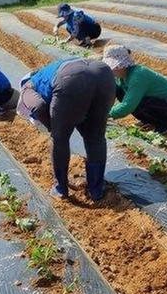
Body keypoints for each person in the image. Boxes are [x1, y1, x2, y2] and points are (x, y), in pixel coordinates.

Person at [17, 57, 116, 201]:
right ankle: (96, 190)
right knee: (95, 138)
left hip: (71, 80)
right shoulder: (48, 71)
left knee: (60, 140)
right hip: (104, 74)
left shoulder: (27, 86)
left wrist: (53, 128)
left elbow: (38, 106)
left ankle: (61, 189)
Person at [102, 45, 167, 132]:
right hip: (159, 103)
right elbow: (112, 92)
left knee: (137, 101)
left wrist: (105, 115)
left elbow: (128, 105)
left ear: (122, 65)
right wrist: (101, 109)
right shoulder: (122, 76)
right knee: (119, 90)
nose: (111, 70)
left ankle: (166, 124)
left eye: (113, 67)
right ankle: (149, 120)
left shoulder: (138, 76)